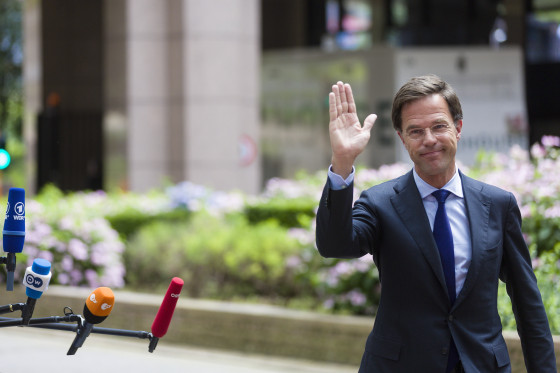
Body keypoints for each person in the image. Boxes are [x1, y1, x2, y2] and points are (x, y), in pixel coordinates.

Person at [315, 75, 557, 373]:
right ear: (402, 139)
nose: (429, 139)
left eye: (439, 126)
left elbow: (527, 301)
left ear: (458, 128)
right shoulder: (380, 203)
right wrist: (342, 161)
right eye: (415, 131)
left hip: (481, 365)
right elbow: (334, 245)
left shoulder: (497, 204)